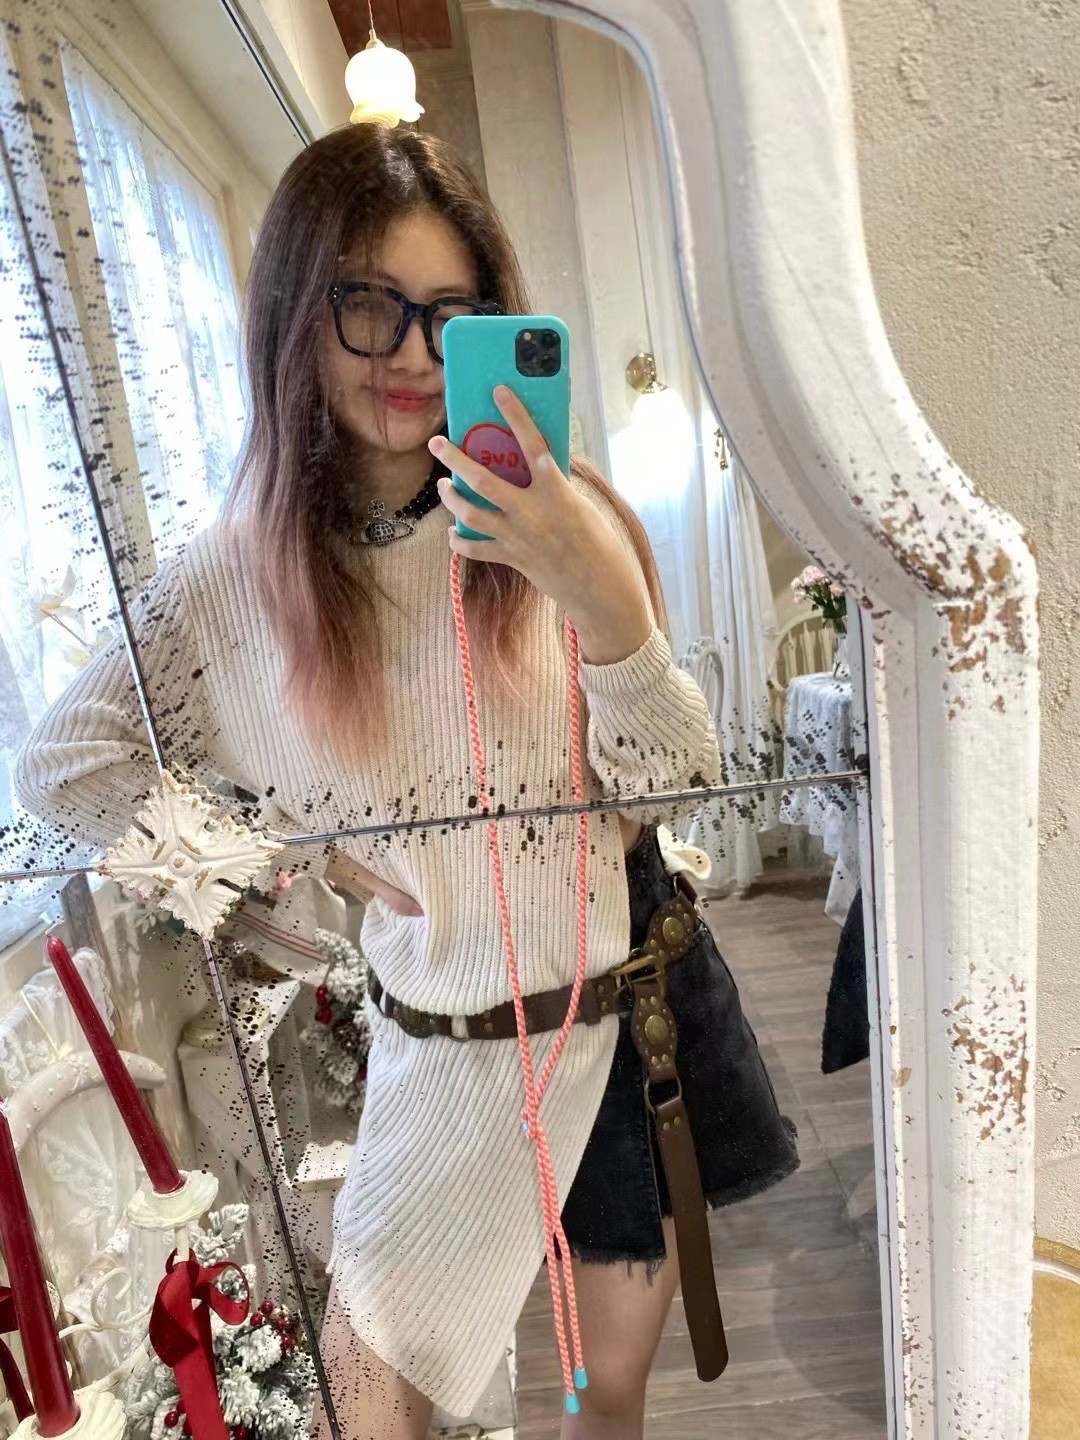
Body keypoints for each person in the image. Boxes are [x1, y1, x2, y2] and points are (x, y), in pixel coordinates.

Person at [15, 124, 799, 1439]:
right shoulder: (231, 581)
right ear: (294, 315)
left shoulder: (564, 513)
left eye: (451, 314)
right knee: (369, 1405)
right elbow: (64, 764)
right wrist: (288, 859)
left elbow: (669, 782)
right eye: (368, 305)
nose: (416, 355)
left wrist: (603, 599)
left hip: (620, 1029)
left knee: (604, 1391)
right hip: (437, 1062)